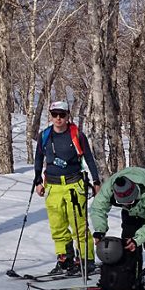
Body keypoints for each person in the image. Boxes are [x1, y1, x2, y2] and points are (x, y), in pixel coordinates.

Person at [33, 100, 101, 275]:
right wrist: (38, 181)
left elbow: (89, 159)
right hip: (53, 186)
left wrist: (96, 181)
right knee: (57, 226)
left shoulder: (77, 135)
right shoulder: (45, 135)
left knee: (79, 226)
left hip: (74, 185)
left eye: (61, 115)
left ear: (67, 116)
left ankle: (87, 260)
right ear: (50, 115)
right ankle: (65, 259)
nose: (58, 118)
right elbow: (39, 158)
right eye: (54, 115)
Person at [89, 167, 145, 290]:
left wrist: (137, 240)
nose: (127, 204)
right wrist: (99, 231)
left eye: (130, 201)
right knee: (128, 238)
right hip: (132, 210)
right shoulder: (110, 187)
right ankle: (130, 273)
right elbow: (98, 208)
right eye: (123, 203)